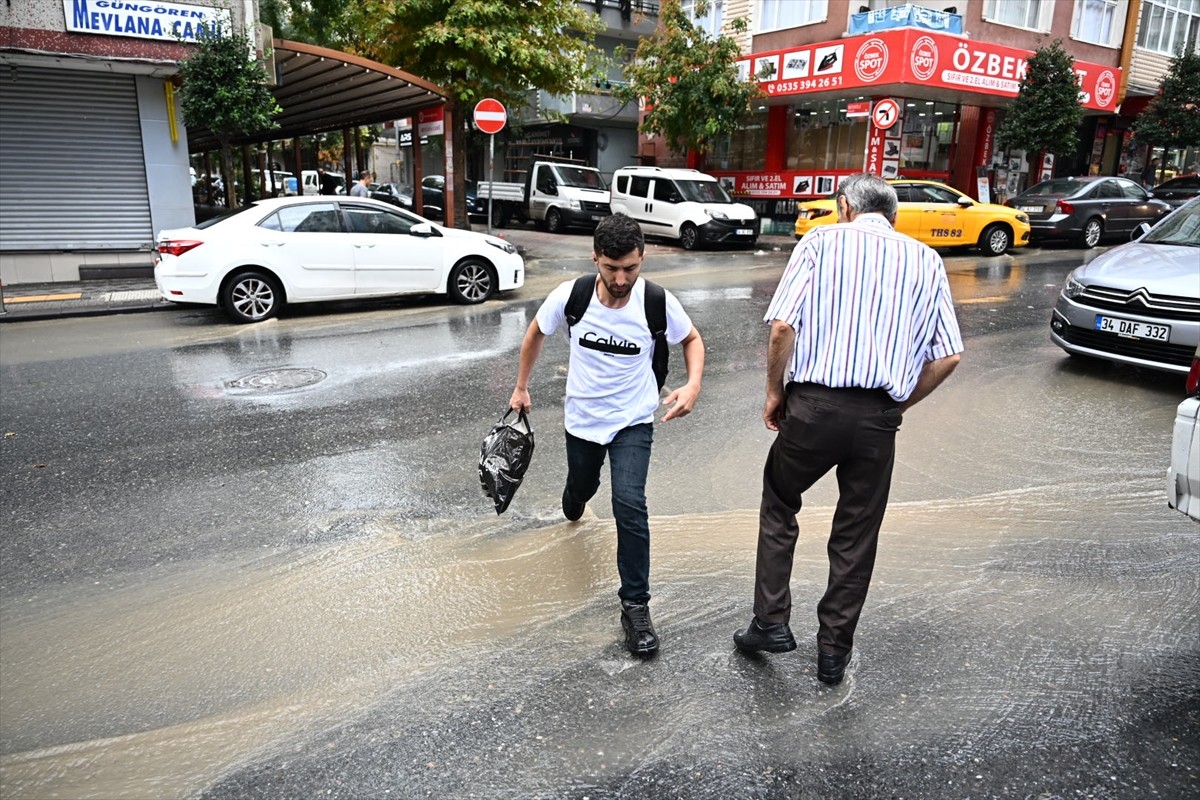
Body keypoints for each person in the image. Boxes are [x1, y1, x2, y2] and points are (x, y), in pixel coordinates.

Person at [733, 173, 963, 686]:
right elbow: (949, 356)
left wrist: (775, 393)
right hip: (877, 419)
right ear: (893, 215)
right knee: (857, 533)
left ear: (844, 207)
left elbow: (782, 327)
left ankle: (770, 621)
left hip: (812, 407)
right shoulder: (926, 260)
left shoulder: (820, 240)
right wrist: (897, 402)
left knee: (779, 501)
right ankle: (833, 653)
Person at [509, 213, 705, 657]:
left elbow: (691, 339)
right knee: (583, 486)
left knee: (629, 503)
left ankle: (635, 607)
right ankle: (575, 496)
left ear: (642, 258)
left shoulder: (656, 301)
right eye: (611, 268)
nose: (620, 279)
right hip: (582, 419)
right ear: (595, 257)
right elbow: (536, 333)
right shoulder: (573, 296)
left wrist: (692, 384)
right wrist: (521, 387)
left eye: (630, 269)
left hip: (633, 419)